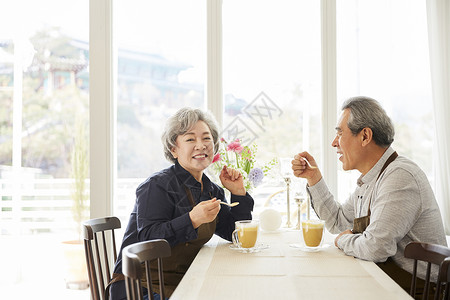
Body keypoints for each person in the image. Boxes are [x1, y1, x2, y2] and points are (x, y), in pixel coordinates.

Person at [291, 96, 447, 296]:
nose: (333, 142)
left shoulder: (400, 177)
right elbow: (338, 222)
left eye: (340, 133)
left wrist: (342, 241)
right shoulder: (372, 178)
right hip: (388, 281)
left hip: (419, 292)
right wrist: (313, 178)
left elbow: (376, 248)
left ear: (365, 136)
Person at [109, 108, 254, 300]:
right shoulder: (157, 186)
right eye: (190, 139)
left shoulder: (211, 190)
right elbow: (148, 237)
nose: (201, 145)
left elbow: (234, 234)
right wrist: (192, 219)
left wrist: (238, 192)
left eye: (206, 138)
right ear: (173, 149)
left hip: (182, 281)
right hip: (139, 287)